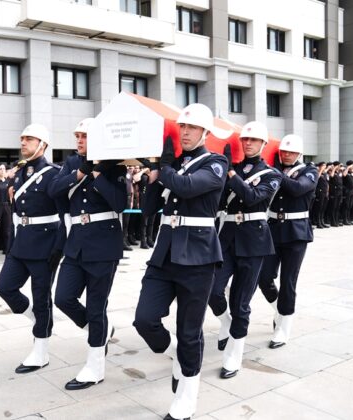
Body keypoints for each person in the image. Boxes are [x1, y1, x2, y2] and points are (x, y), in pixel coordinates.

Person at [132, 103, 228, 420]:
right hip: (165, 253)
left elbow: (188, 187)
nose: (185, 132)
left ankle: (187, 395)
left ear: (204, 132)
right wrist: (153, 177)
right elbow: (148, 210)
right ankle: (175, 350)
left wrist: (167, 167)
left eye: (191, 128)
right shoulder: (174, 166)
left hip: (198, 257)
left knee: (190, 332)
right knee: (145, 319)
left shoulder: (215, 163)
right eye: (182, 128)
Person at [49, 117, 127, 391]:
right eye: (77, 136)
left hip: (104, 244)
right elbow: (53, 189)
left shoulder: (114, 166)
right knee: (63, 298)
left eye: (84, 136)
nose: (79, 141)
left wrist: (97, 175)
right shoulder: (71, 164)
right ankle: (102, 331)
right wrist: (79, 174)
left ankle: (95, 367)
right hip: (76, 242)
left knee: (96, 307)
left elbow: (121, 203)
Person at [209, 120, 281, 379]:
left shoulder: (272, 174)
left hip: (253, 241)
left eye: (253, 140)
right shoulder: (231, 168)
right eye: (245, 140)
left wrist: (230, 175)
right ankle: (226, 323)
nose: (248, 143)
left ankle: (234, 354)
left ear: (262, 144)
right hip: (227, 238)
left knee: (241, 301)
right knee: (212, 289)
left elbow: (252, 197)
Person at [0, 123, 65, 375]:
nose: (23, 142)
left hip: (45, 243)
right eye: (22, 138)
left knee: (41, 297)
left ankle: (41, 351)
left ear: (42, 145)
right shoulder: (22, 172)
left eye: (29, 139)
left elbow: (63, 215)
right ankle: (39, 322)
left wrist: (58, 249)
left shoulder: (54, 173)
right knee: (4, 287)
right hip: (21, 241)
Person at [258, 135, 318, 348]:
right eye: (283, 152)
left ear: (299, 154)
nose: (286, 155)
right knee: (263, 277)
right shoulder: (274, 170)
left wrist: (273, 171)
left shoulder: (310, 171)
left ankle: (283, 327)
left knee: (288, 281)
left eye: (291, 152)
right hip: (273, 230)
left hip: (296, 233)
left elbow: (297, 188)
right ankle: (279, 310)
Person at [0, 165, 13, 264]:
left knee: (7, 232)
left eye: (4, 168)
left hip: (7, 207)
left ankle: (8, 254)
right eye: (0, 168)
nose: (3, 170)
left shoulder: (8, 182)